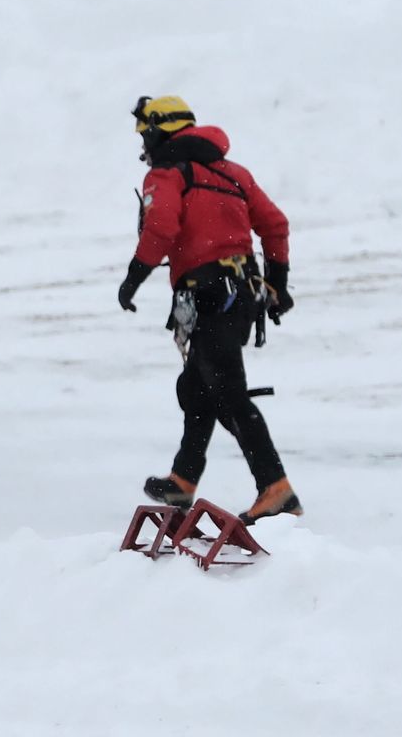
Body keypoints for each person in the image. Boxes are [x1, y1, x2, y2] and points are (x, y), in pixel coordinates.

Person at [117, 96, 302, 523]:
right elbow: (275, 224)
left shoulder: (167, 174)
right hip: (241, 293)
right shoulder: (234, 173)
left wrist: (133, 278)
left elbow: (161, 227)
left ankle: (275, 488)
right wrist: (278, 283)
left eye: (145, 135)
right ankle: (183, 480)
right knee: (197, 388)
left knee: (229, 394)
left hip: (208, 296)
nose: (143, 146)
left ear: (159, 133)